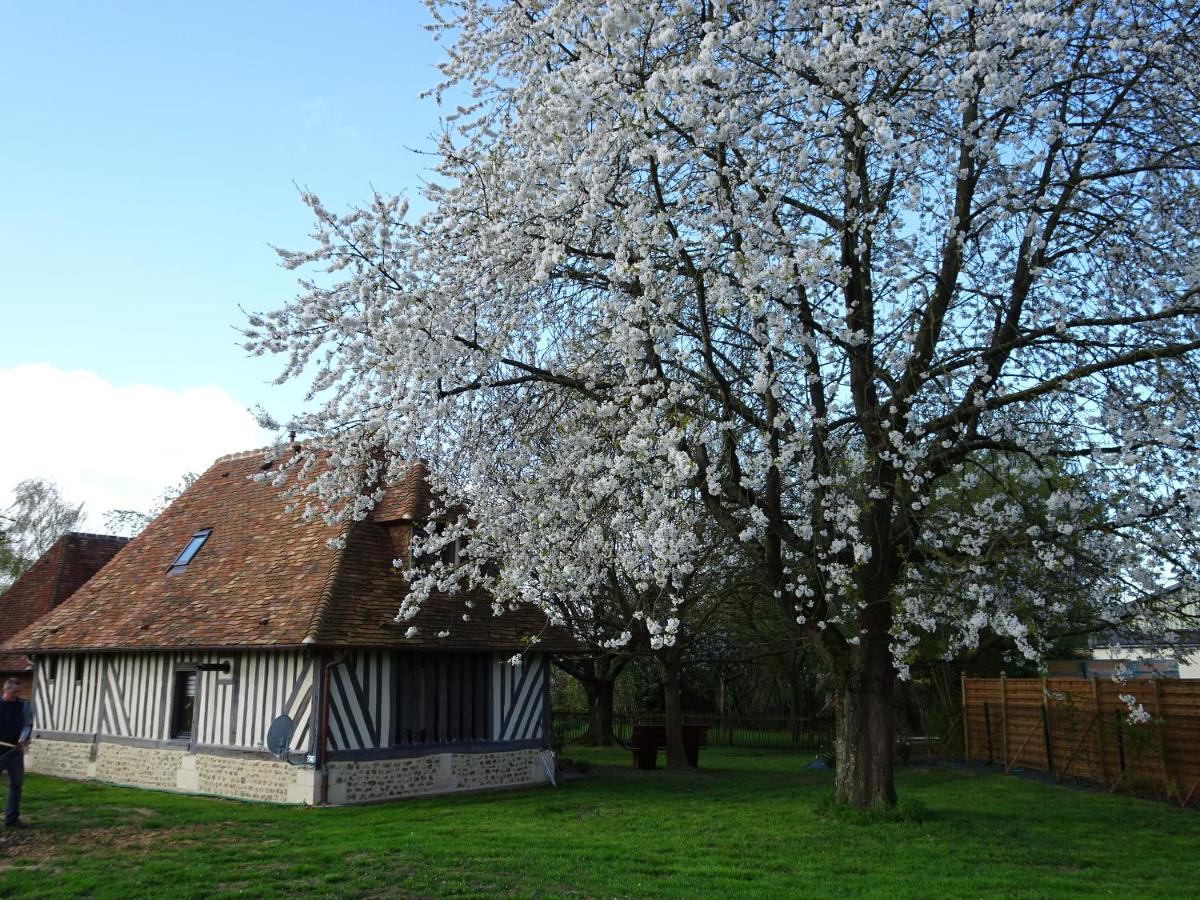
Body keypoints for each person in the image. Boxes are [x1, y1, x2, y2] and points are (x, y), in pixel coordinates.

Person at [0, 677, 33, 828]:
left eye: (17, 692)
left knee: (16, 785)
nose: (16, 694)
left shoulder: (23, 705)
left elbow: (27, 724)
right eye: (14, 691)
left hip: (15, 751)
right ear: (6, 690)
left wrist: (23, 738)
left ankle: (11, 818)